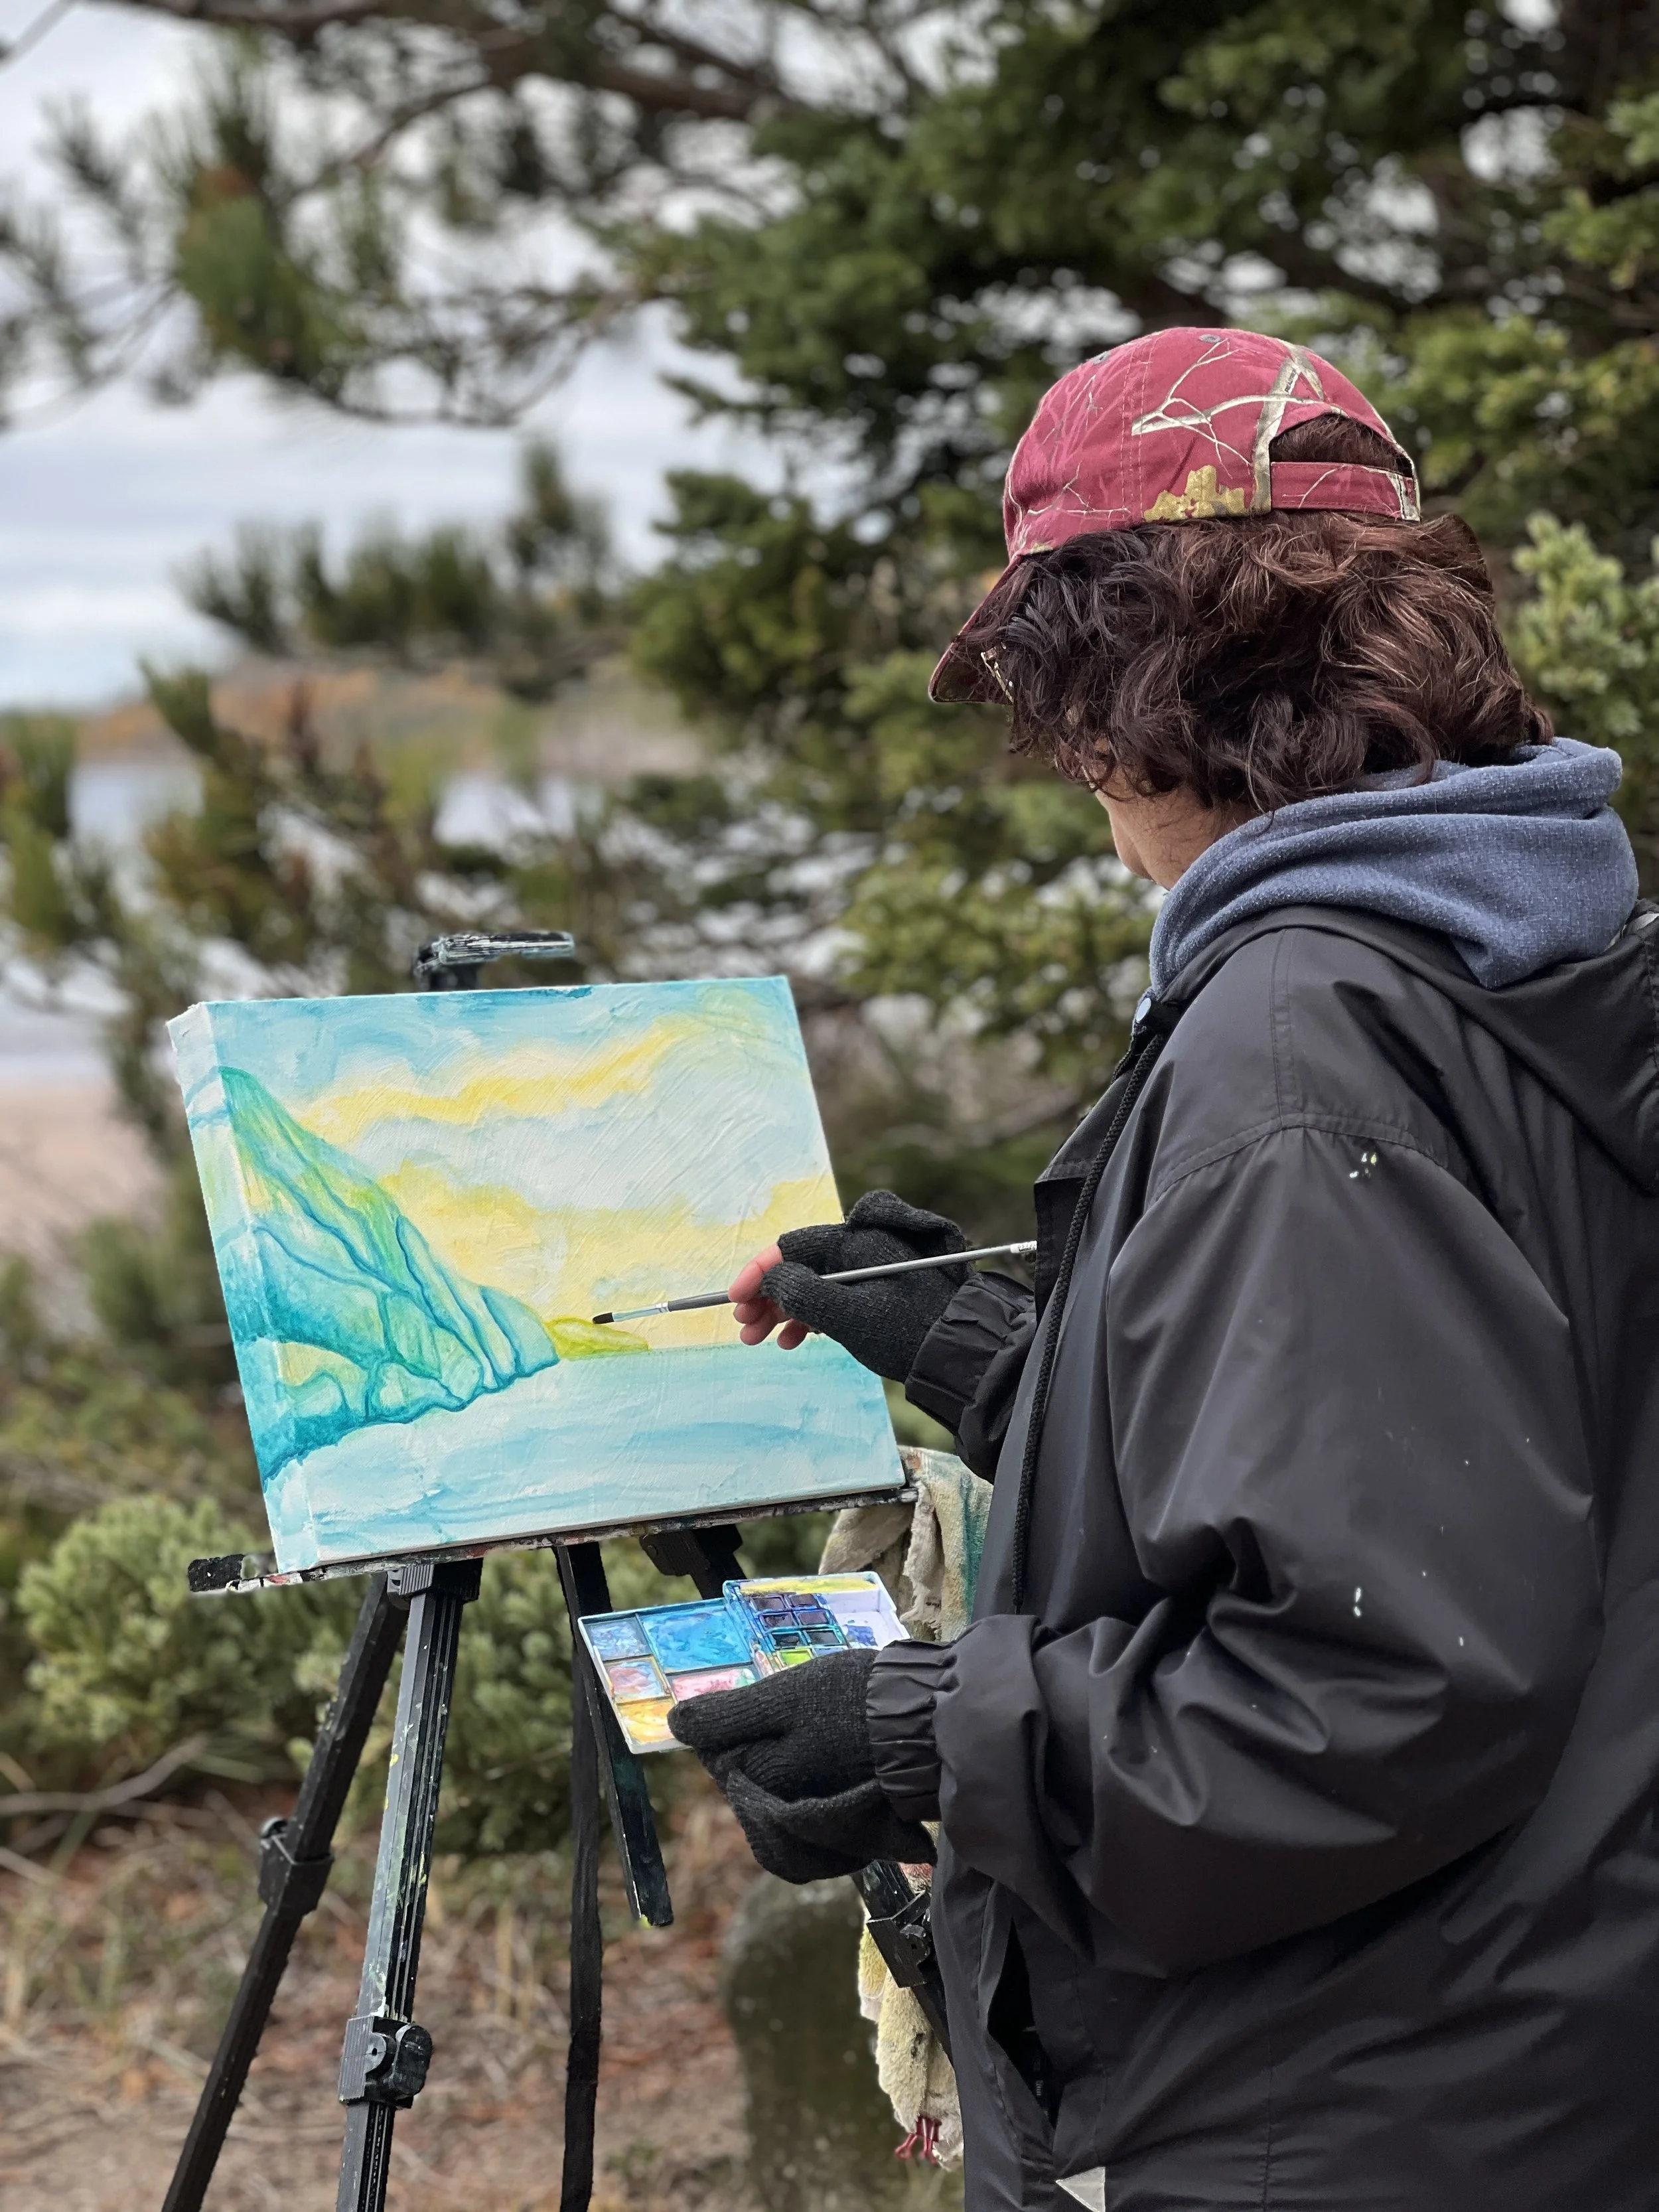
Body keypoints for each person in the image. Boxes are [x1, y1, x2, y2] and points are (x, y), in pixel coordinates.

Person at [667, 327, 1659, 2211]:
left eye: (1050, 708)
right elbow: (1470, 1434)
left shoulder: (1299, 1034)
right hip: (1537, 2032)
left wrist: (924, 1732)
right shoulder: (1543, 949)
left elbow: (1385, 1679)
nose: (1068, 775)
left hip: (1340, 2098)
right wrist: (992, 1354)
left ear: (1122, 690)